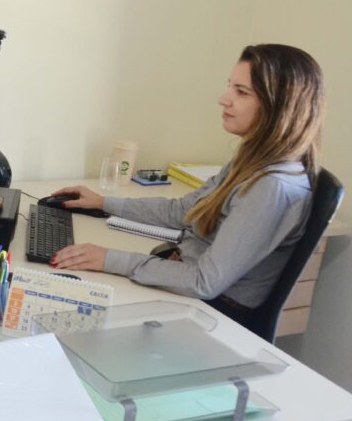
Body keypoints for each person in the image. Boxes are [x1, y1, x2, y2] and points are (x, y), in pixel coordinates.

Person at [50, 44, 325, 324]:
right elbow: (184, 210)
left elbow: (203, 282)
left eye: (241, 92)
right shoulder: (253, 160)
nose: (223, 99)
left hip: (210, 312)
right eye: (230, 87)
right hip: (186, 279)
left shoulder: (271, 188)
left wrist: (109, 259)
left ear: (280, 107)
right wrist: (103, 203)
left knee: (69, 309)